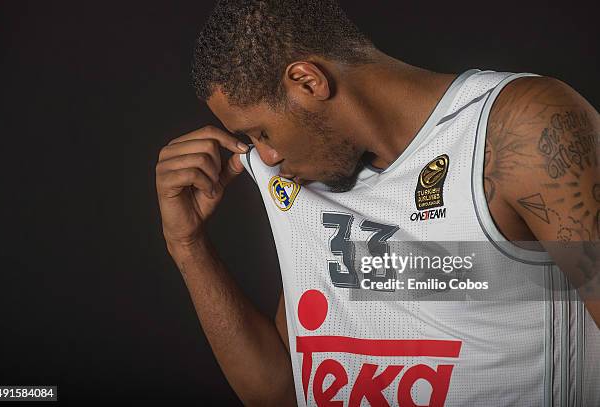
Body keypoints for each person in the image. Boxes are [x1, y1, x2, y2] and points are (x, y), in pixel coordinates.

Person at [155, 0, 599, 405]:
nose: (265, 157)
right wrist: (187, 245)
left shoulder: (518, 129)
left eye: (262, 132)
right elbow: (282, 394)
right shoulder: (305, 181)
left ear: (307, 81)